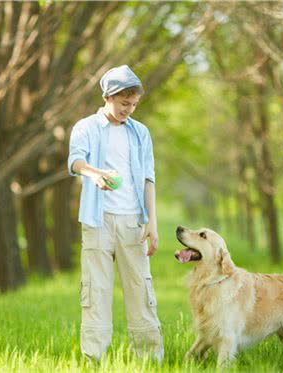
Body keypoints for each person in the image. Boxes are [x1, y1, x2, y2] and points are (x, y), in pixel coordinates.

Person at [67, 65, 164, 363]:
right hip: (97, 220)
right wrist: (94, 174)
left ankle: (150, 361)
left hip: (132, 220)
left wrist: (152, 223)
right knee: (96, 291)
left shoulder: (140, 133)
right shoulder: (85, 127)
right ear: (108, 96)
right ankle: (93, 359)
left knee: (140, 290)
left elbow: (149, 178)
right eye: (124, 103)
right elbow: (75, 161)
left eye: (133, 104)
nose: (129, 110)